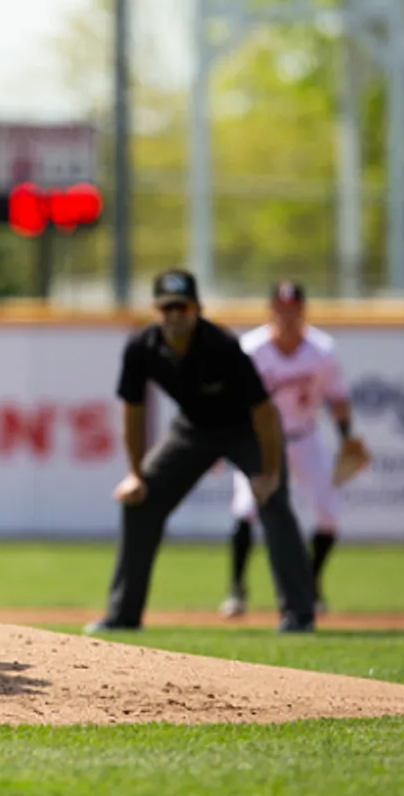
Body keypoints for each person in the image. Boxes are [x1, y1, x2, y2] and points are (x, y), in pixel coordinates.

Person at [86, 268, 318, 634]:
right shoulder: (141, 347)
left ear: (197, 308)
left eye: (182, 307)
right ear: (155, 310)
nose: (175, 315)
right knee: (140, 500)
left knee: (274, 503)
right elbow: (133, 410)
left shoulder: (222, 346)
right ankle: (123, 615)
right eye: (167, 308)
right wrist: (134, 473)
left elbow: (265, 413)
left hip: (245, 430)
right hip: (192, 428)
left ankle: (299, 615)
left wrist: (270, 473)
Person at [222, 280, 365, 619]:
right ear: (271, 311)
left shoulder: (322, 349)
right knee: (246, 510)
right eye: (281, 310)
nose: (287, 317)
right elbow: (233, 400)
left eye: (293, 310)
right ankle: (236, 590)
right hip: (260, 440)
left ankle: (310, 586)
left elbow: (338, 398)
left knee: (328, 514)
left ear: (303, 311)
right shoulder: (251, 348)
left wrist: (346, 436)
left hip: (305, 437)